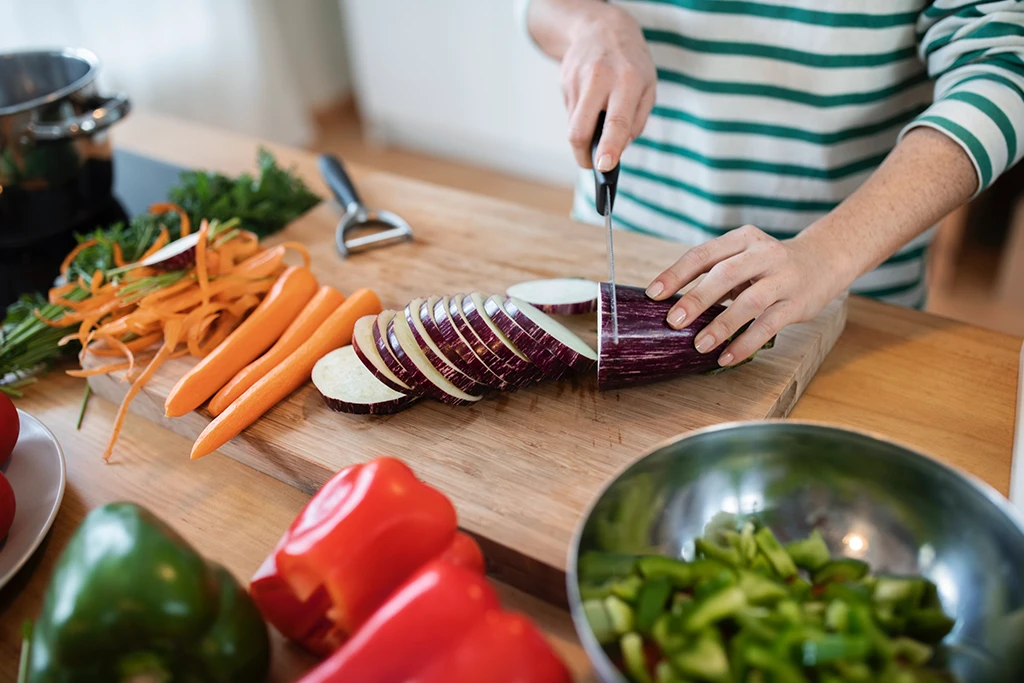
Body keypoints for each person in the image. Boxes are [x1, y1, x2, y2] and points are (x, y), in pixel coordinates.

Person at [518, 0, 1024, 367]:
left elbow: (1005, 68)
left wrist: (828, 252)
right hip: (618, 244)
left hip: (841, 295)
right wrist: (586, 20)